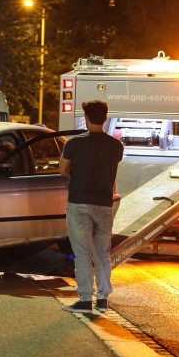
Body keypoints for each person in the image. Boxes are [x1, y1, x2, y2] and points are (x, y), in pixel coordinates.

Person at [59, 99, 124, 314]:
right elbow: (111, 171)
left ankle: (85, 300)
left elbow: (62, 170)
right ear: (105, 118)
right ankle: (103, 300)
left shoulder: (74, 143)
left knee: (83, 254)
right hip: (104, 205)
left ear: (86, 118)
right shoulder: (116, 146)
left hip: (79, 203)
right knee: (102, 254)